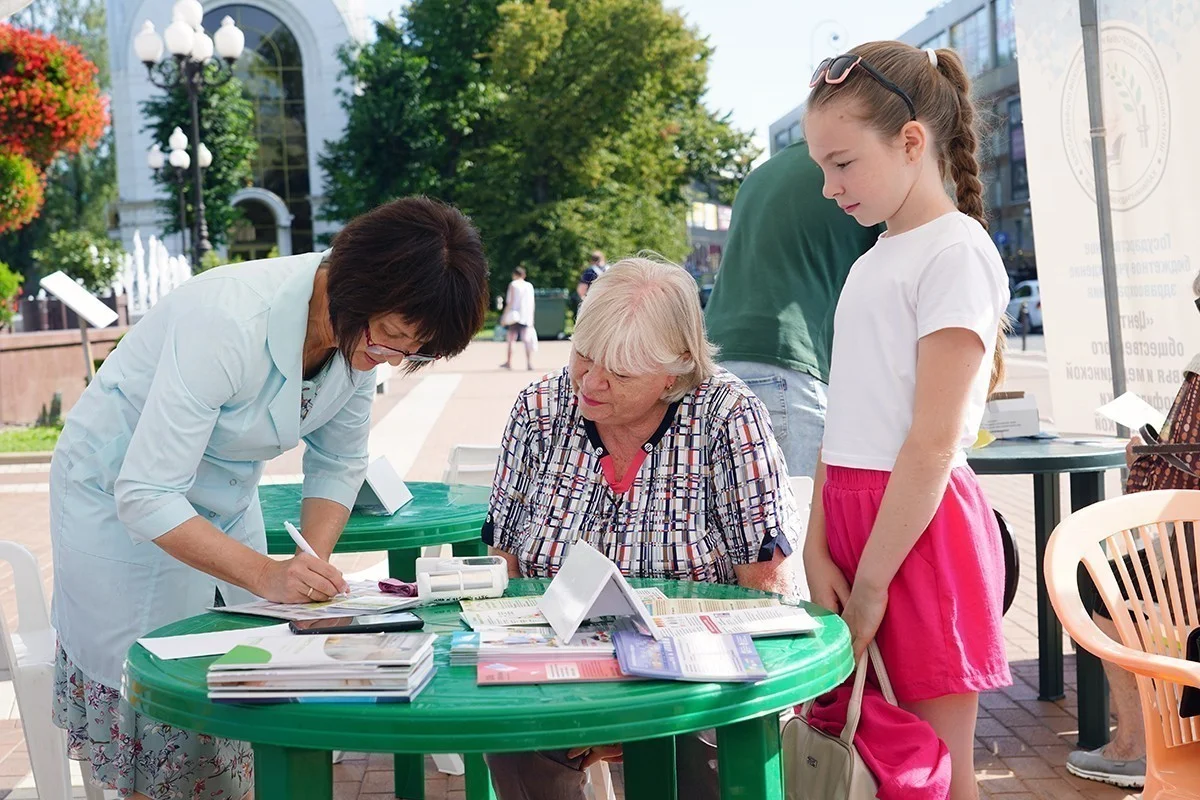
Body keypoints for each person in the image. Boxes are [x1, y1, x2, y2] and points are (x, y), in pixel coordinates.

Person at [49, 197, 490, 800]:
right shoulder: (228, 319)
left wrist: (311, 565)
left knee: (245, 684)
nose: (389, 357)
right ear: (353, 286)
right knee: (161, 707)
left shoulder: (360, 340)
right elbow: (147, 492)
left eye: (411, 351)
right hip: (118, 500)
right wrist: (266, 575)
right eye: (389, 336)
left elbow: (339, 460)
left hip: (224, 499)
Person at [483, 256, 805, 800]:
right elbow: (505, 561)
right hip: (562, 670)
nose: (591, 382)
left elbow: (766, 591)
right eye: (584, 355)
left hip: (696, 678)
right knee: (515, 733)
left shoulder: (728, 418)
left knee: (698, 760)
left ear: (674, 373)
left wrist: (643, 716)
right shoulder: (540, 409)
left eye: (622, 372)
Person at [803, 42, 1012, 800]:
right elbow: (843, 415)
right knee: (869, 760)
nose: (829, 186)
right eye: (822, 167)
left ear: (912, 141)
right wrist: (816, 544)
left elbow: (932, 442)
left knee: (938, 772)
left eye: (843, 163)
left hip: (918, 536)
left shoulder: (956, 252)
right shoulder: (872, 259)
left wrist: (871, 583)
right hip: (858, 526)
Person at [705, 140, 882, 478]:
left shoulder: (762, 173)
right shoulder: (855, 166)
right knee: (806, 508)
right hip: (789, 364)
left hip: (715, 363)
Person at [500, 265, 537, 371]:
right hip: (526, 316)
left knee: (511, 339)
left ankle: (509, 362)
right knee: (526, 340)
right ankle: (529, 363)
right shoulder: (529, 286)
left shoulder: (513, 284)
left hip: (514, 316)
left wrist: (504, 316)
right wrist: (532, 317)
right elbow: (532, 303)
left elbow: (510, 302)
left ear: (514, 275)